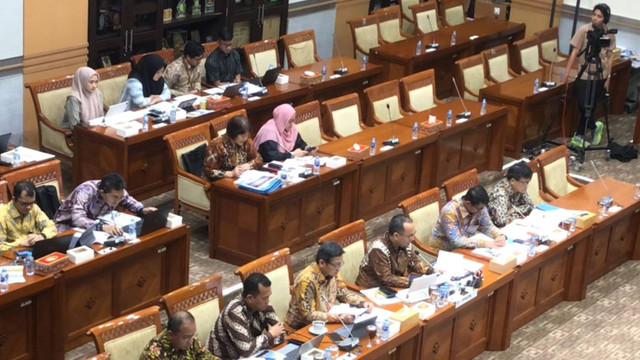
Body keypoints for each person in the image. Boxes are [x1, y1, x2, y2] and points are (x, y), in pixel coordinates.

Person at [285, 241, 373, 331]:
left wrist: (362, 303)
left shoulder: (333, 272)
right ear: (322, 263)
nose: (339, 269)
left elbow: (343, 293)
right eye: (336, 265)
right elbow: (308, 315)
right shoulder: (306, 281)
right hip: (301, 328)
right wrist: (340, 317)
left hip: (326, 322)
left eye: (340, 264)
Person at [562, 3, 616, 148]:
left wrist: (608, 78)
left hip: (600, 73)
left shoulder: (609, 34)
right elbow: (574, 52)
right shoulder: (583, 30)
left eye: (599, 16)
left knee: (590, 106)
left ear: (605, 19)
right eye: (594, 15)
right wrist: (567, 72)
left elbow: (609, 56)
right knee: (582, 103)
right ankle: (593, 126)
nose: (595, 18)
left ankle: (579, 135)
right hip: (584, 72)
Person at [208, 273, 285, 359]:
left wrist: (260, 343)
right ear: (250, 298)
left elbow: (281, 333)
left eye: (268, 297)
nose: (268, 301)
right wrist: (270, 335)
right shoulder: (234, 312)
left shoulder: (264, 305)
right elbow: (246, 351)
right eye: (264, 298)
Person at [53, 173, 156, 235]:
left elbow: (127, 199)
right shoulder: (85, 191)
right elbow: (78, 219)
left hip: (96, 222)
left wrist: (141, 209)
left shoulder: (117, 192)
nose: (117, 200)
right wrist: (102, 227)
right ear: (102, 192)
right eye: (115, 197)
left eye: (119, 197)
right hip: (67, 227)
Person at [356, 214, 433, 289]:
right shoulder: (378, 249)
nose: (412, 239)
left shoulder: (405, 243)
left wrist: (431, 271)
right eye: (410, 236)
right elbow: (386, 279)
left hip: (394, 287)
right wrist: (412, 282)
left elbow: (414, 263)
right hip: (372, 291)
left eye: (413, 234)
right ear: (396, 236)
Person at [430, 185, 506, 251]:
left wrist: (500, 236)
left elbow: (487, 227)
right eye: (479, 209)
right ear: (468, 203)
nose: (482, 211)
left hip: (467, 246)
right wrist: (484, 243)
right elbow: (456, 241)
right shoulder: (449, 212)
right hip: (444, 250)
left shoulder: (480, 207)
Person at [0, 181, 57, 252]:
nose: (29, 207)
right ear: (14, 200)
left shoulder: (34, 208)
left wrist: (42, 236)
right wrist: (20, 243)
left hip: (35, 250)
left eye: (32, 203)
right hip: (13, 255)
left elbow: (51, 226)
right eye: (24, 204)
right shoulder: (2, 216)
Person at [202, 115, 263, 181]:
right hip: (219, 183)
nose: (245, 138)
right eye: (242, 136)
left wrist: (248, 165)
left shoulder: (246, 141)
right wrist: (230, 173)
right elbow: (208, 171)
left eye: (247, 135)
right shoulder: (216, 145)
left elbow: (259, 159)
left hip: (239, 179)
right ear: (233, 133)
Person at [140, 310, 219, 360]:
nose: (191, 341)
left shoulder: (191, 338)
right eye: (186, 338)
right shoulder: (153, 354)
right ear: (170, 335)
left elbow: (207, 357)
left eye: (192, 335)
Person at [488, 162, 535, 227]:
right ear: (512, 181)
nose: (526, 186)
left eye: (527, 183)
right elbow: (501, 221)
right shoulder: (500, 194)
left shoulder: (519, 187)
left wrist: (514, 210)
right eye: (524, 183)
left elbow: (531, 206)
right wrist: (517, 215)